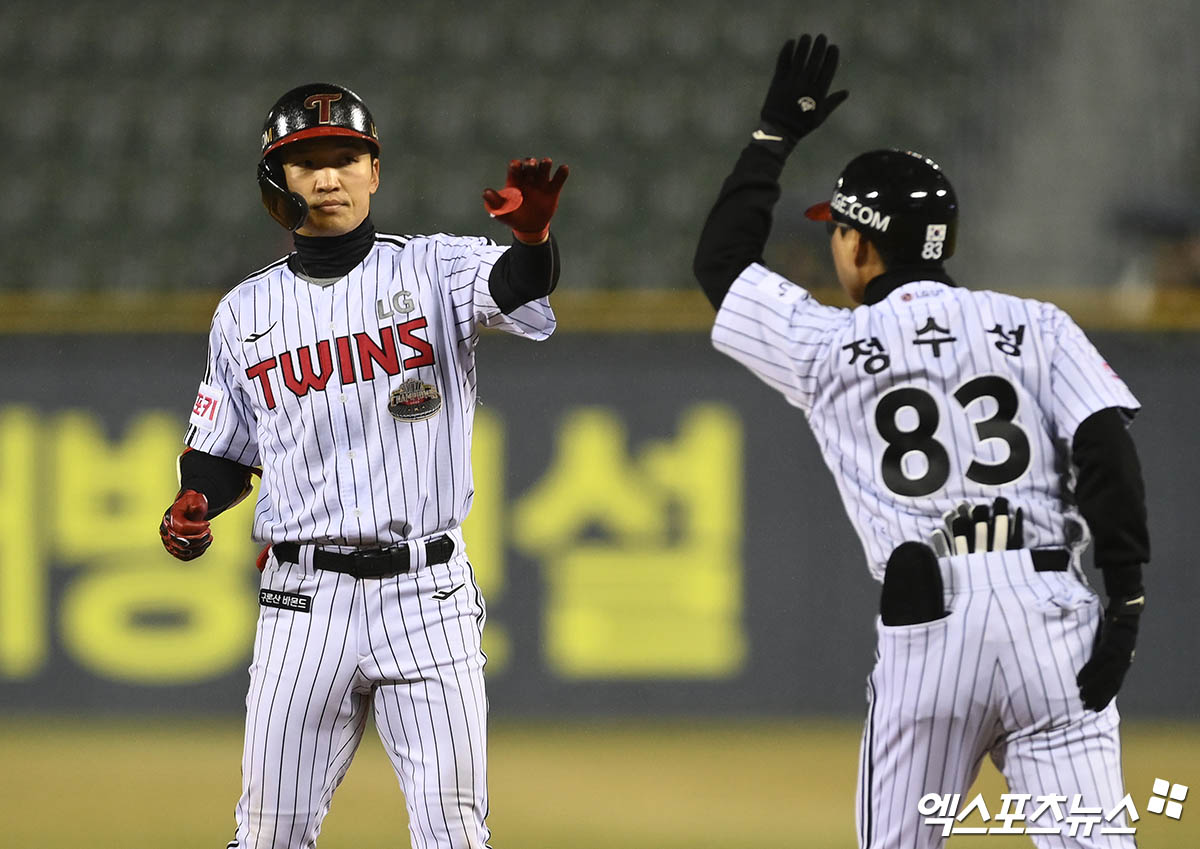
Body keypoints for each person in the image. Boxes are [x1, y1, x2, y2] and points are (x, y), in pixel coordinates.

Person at [694, 35, 1149, 848]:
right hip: (1054, 612)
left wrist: (773, 136)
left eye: (838, 231)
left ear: (861, 245)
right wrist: (1129, 599)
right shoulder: (1036, 325)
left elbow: (722, 264)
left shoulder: (828, 347)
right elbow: (1105, 444)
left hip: (931, 618)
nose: (835, 244)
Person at [158, 82, 568, 849]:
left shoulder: (435, 269)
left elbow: (517, 284)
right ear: (278, 182)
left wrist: (536, 240)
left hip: (427, 592)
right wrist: (190, 502)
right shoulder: (243, 313)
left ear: (374, 170)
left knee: (454, 834)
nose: (327, 177)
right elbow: (220, 451)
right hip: (302, 599)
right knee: (269, 835)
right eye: (305, 162)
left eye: (344, 157)